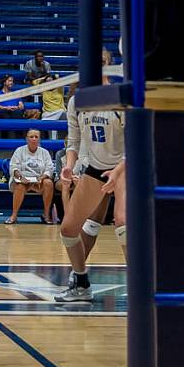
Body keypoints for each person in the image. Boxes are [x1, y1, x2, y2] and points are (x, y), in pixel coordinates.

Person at [54, 86, 127, 302]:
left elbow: (134, 145)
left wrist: (117, 173)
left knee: (122, 223)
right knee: (68, 229)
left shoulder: (119, 100)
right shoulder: (77, 102)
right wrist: (69, 166)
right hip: (96, 167)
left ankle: (142, 286)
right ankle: (81, 283)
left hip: (125, 165)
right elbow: (73, 142)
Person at [5, 129, 56, 225]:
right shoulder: (19, 151)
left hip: (39, 181)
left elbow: (49, 169)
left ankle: (46, 215)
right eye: (31, 137)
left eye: (36, 137)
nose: (33, 139)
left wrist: (42, 177)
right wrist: (21, 178)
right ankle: (14, 215)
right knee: (19, 186)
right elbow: (13, 167)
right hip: (23, 180)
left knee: (48, 183)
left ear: (39, 139)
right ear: (26, 139)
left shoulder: (44, 152)